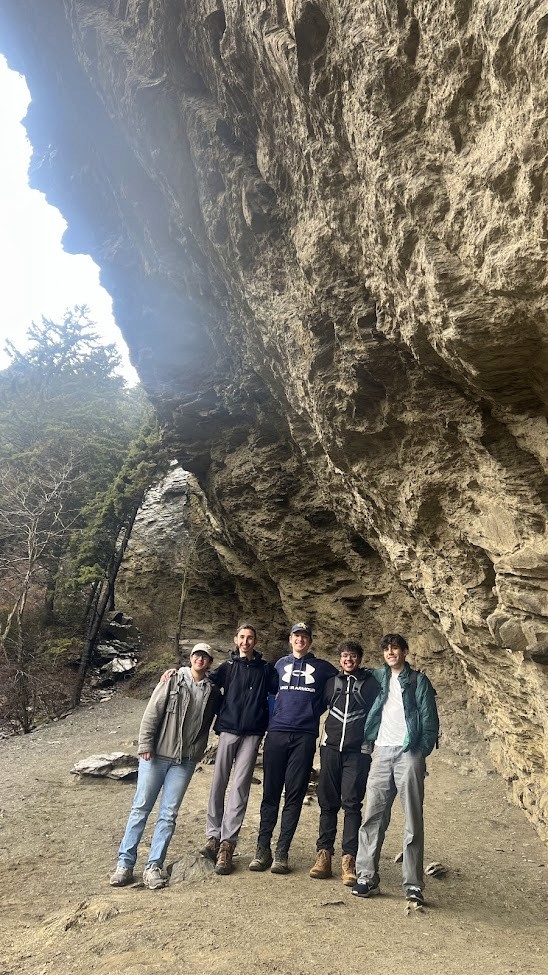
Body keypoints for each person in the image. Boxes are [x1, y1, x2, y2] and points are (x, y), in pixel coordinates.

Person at [109, 643, 221, 890]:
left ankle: (153, 867)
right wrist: (145, 745)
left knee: (168, 815)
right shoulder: (173, 680)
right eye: (196, 655)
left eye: (205, 657)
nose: (200, 659)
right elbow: (152, 712)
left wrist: (199, 751)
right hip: (157, 755)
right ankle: (125, 864)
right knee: (140, 808)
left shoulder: (212, 691)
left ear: (210, 662)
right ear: (191, 658)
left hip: (185, 761)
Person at [352, 633, 439, 906]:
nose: (391, 653)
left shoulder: (418, 681)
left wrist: (419, 751)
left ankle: (413, 883)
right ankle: (366, 875)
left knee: (412, 817)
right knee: (373, 814)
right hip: (381, 751)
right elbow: (353, 671)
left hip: (408, 750)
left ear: (405, 651)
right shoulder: (378, 677)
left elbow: (429, 719)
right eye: (387, 649)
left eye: (396, 649)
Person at [249, 622, 338, 875]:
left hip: (304, 735)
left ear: (310, 641)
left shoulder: (323, 668)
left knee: (295, 794)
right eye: (297, 636)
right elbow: (264, 690)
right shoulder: (279, 665)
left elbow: (342, 681)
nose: (300, 640)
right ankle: (262, 849)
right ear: (290, 639)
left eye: (305, 637)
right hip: (277, 733)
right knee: (270, 792)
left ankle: (281, 852)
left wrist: (314, 710)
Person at [198, 623, 279, 875]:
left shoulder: (266, 670)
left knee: (240, 786)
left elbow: (279, 692)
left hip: (253, 732)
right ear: (235, 640)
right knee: (219, 782)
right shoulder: (228, 667)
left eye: (250, 638)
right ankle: (213, 836)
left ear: (255, 641)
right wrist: (176, 673)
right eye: (242, 637)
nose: (246, 641)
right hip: (228, 729)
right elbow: (203, 679)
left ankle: (227, 843)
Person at [309, 641, 380, 886]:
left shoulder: (371, 684)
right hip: (330, 749)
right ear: (340, 659)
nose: (348, 660)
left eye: (352, 656)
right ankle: (324, 855)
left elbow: (379, 712)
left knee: (351, 803)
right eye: (344, 656)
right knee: (327, 802)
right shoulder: (331, 683)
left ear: (359, 659)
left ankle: (349, 859)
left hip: (357, 752)